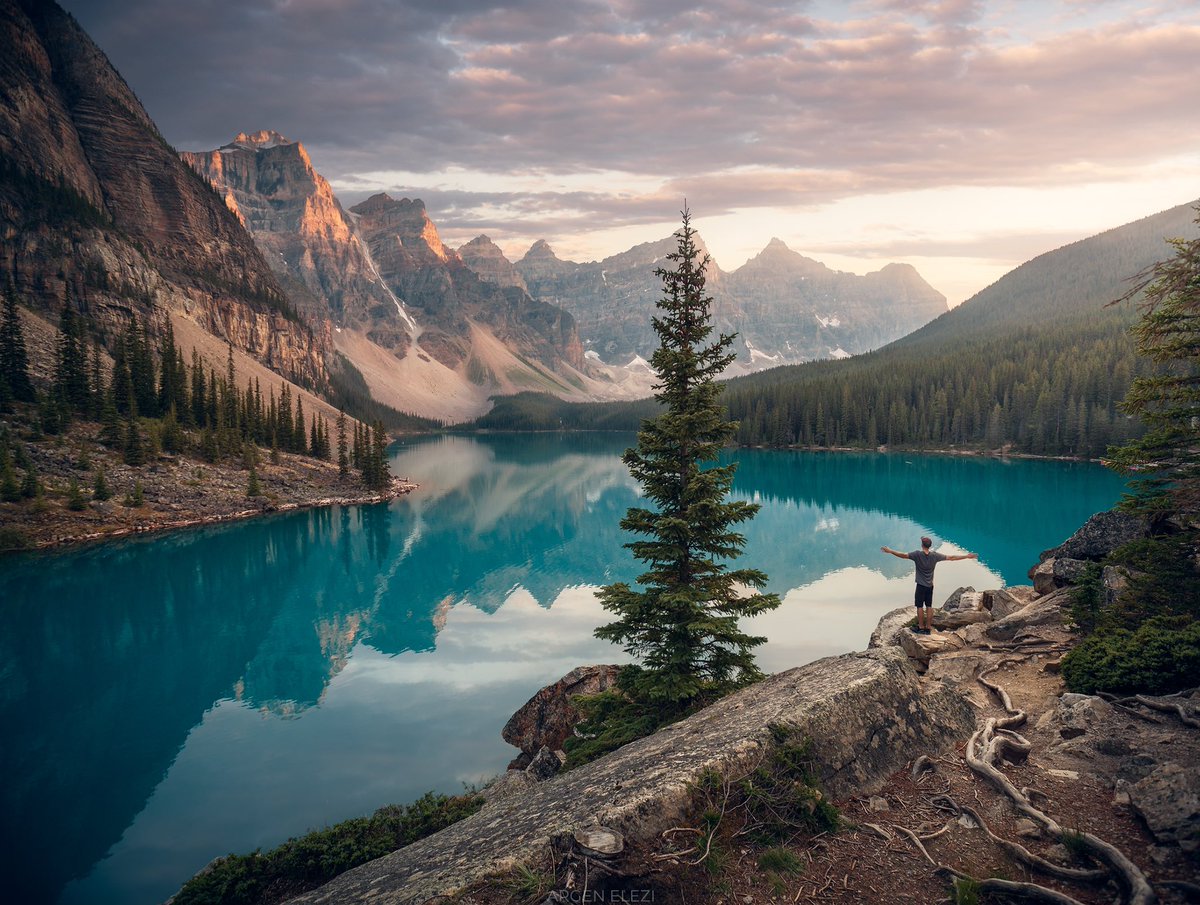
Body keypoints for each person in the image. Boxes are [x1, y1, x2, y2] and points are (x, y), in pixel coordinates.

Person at [881, 536, 978, 634]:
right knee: (929, 606)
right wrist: (966, 556)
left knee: (919, 606)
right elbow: (951, 558)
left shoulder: (917, 555)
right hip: (930, 586)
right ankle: (928, 628)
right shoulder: (935, 556)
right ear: (930, 546)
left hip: (920, 585)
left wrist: (890, 551)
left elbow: (903, 555)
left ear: (922, 545)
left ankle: (921, 627)